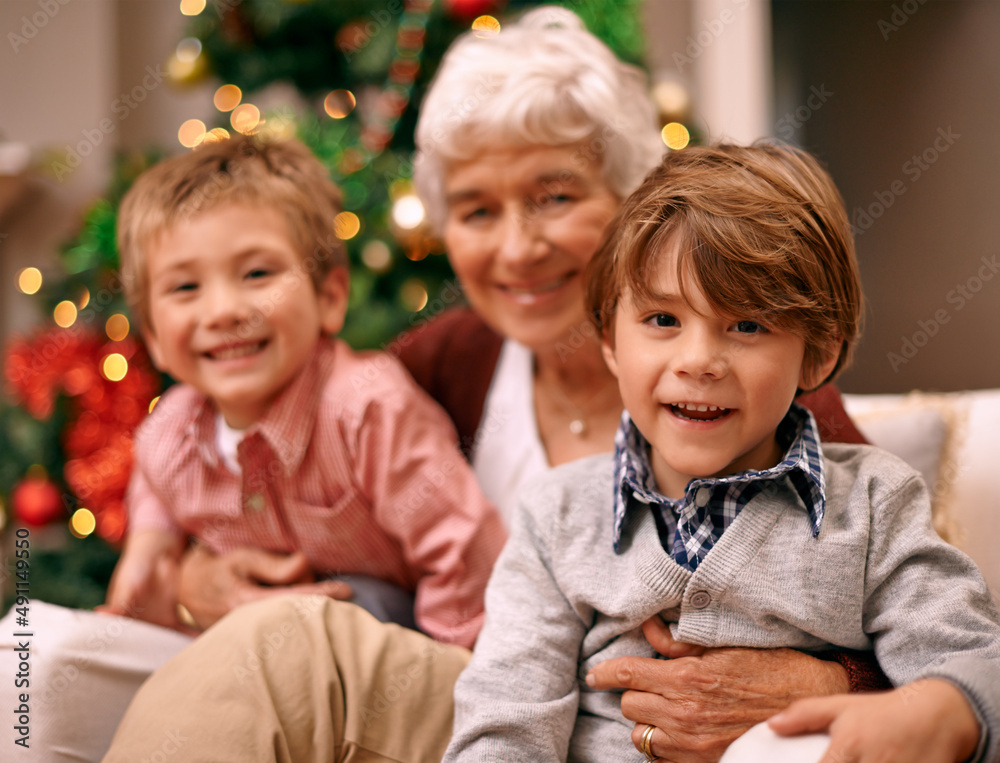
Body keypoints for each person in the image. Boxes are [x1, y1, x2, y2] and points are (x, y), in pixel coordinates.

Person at [102, 9, 903, 763]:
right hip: (487, 712)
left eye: (554, 196)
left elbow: (914, 610)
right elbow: (276, 473)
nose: (518, 248)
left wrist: (831, 679)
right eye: (479, 212)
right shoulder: (435, 366)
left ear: (635, 203)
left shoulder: (751, 391)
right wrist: (188, 577)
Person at [442, 142, 1000, 763]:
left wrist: (947, 708)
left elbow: (977, 670)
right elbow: (506, 718)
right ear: (609, 340)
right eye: (661, 319)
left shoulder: (874, 502)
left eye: (748, 325)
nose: (698, 361)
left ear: (816, 353)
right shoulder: (556, 515)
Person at [0, 134, 508, 762]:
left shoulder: (368, 407)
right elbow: (155, 493)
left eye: (257, 274)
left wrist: (462, 675)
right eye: (185, 289)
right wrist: (150, 550)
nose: (223, 310)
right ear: (155, 337)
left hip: (383, 631)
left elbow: (458, 543)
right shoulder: (171, 433)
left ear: (329, 296)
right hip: (241, 645)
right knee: (27, 651)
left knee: (343, 614)